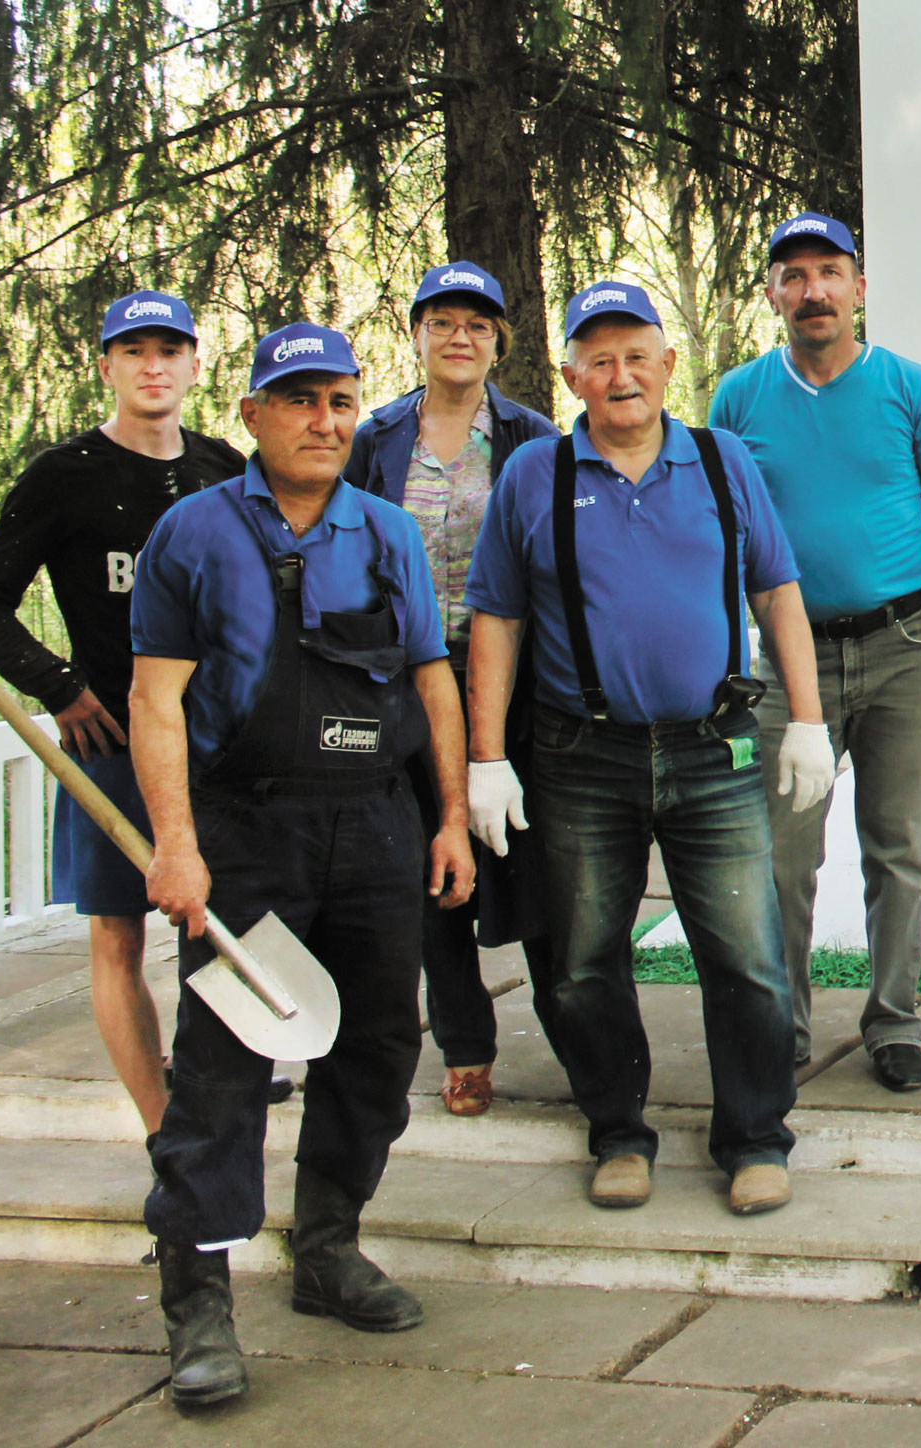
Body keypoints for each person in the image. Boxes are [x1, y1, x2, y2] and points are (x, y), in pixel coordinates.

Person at [130, 322, 475, 1406]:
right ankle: (199, 1304)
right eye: (299, 400)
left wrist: (452, 817)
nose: (324, 421)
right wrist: (177, 846)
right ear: (253, 416)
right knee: (224, 1070)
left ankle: (327, 1247)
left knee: (376, 1045)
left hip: (373, 824)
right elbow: (154, 701)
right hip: (246, 834)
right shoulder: (190, 534)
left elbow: (431, 680)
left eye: (340, 401)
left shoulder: (384, 531)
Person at [462, 281, 833, 1217]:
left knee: (746, 955)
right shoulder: (534, 475)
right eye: (599, 358)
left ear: (669, 366)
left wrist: (808, 723)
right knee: (585, 959)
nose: (620, 375)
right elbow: (496, 619)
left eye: (637, 355)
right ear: (571, 372)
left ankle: (754, 1138)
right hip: (580, 757)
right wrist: (484, 758)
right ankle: (617, 1131)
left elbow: (778, 590)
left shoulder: (721, 461)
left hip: (716, 754)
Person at [709, 212, 921, 1092]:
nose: (813, 291)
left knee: (897, 845)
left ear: (858, 287)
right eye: (792, 276)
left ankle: (894, 1022)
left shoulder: (908, 386)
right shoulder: (738, 398)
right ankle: (782, 1027)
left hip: (905, 646)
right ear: (771, 295)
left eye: (829, 271)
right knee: (782, 857)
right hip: (787, 665)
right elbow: (718, 535)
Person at [0, 291, 256, 1135]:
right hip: (113, 745)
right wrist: (60, 686)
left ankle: (221, 1080)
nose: (153, 366)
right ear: (108, 367)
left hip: (219, 746)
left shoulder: (224, 470)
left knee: (228, 921)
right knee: (119, 938)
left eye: (170, 350)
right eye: (134, 351)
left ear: (196, 364)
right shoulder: (64, 477)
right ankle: (166, 1126)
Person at [344, 261, 559, 1116]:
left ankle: (572, 1030)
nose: (460, 337)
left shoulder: (532, 437)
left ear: (499, 339)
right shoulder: (377, 437)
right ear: (418, 334)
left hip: (512, 675)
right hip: (407, 677)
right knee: (434, 859)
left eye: (477, 324)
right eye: (443, 322)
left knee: (531, 859)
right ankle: (465, 1044)